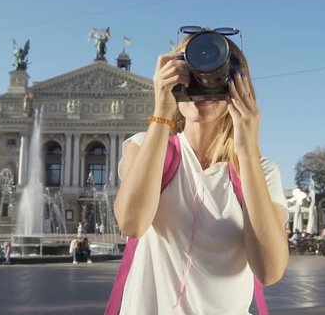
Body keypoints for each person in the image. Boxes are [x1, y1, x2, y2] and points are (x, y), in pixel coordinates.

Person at [111, 31, 289, 314]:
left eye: (217, 76)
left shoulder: (261, 170)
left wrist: (248, 152)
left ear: (238, 86)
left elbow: (269, 271)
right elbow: (132, 223)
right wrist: (161, 112)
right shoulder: (145, 147)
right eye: (189, 72)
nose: (202, 84)